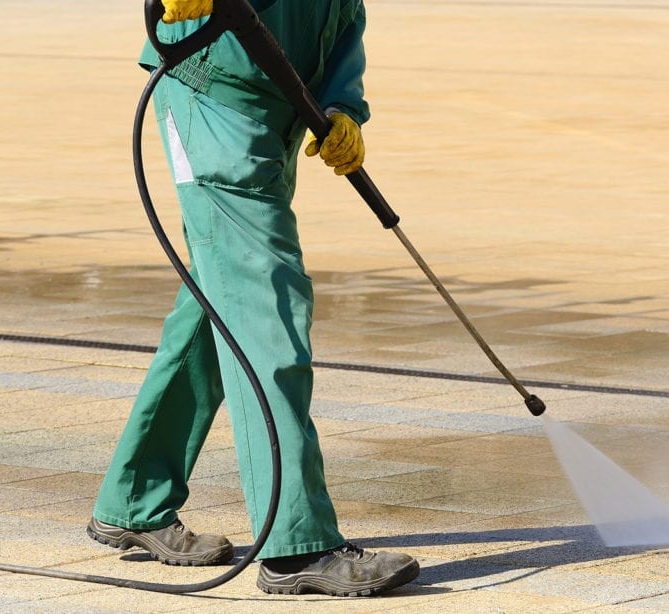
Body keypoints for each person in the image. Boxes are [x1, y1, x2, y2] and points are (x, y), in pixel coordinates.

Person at [86, 0, 420, 597]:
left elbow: (343, 14)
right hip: (207, 101)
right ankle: (296, 547)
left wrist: (343, 107)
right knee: (267, 307)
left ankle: (133, 499)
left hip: (274, 120)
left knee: (216, 309)